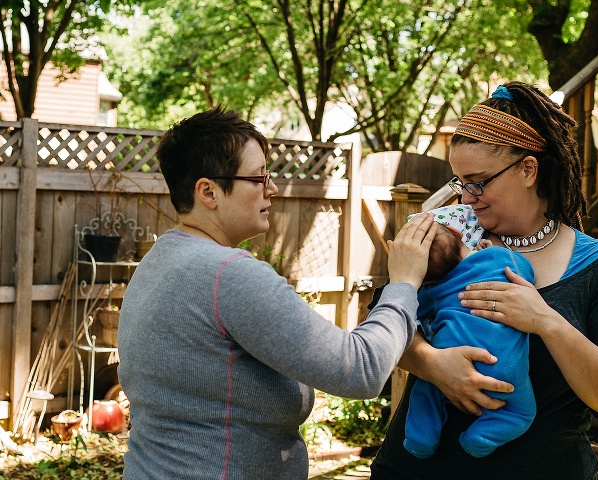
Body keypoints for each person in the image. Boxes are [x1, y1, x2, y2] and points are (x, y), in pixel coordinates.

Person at [116, 107, 438, 480]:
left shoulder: (160, 259)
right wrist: (403, 284)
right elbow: (360, 370)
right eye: (258, 178)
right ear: (208, 191)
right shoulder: (228, 274)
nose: (272, 188)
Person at [370, 82, 598, 479]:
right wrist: (433, 364)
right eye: (459, 182)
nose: (466, 197)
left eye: (479, 181)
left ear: (527, 169)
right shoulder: (447, 239)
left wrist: (547, 322)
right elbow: (384, 325)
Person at [403, 204, 536, 459]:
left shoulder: (432, 289)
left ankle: (420, 440)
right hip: (503, 367)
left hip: (446, 354)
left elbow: (412, 313)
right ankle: (480, 438)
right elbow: (527, 274)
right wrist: (494, 252)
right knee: (521, 413)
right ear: (457, 233)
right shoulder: (501, 259)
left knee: (427, 391)